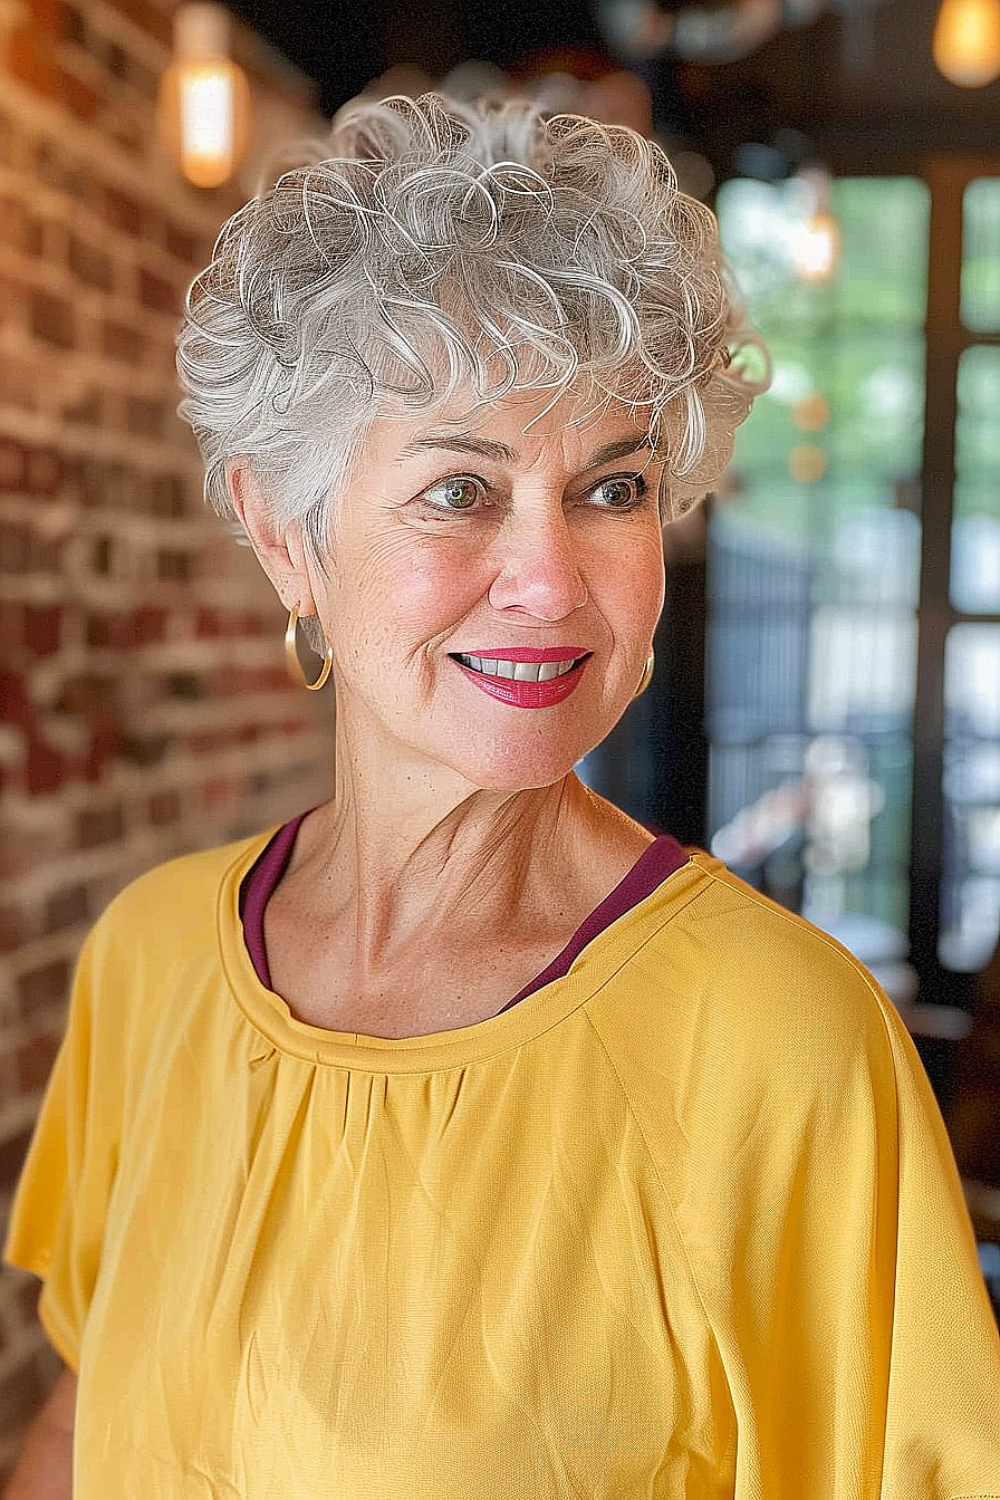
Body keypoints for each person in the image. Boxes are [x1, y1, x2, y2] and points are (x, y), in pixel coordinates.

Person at [3, 92, 999, 1500]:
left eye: (614, 487)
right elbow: (86, 1422)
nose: (553, 580)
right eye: (462, 490)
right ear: (288, 539)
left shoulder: (785, 1046)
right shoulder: (152, 956)